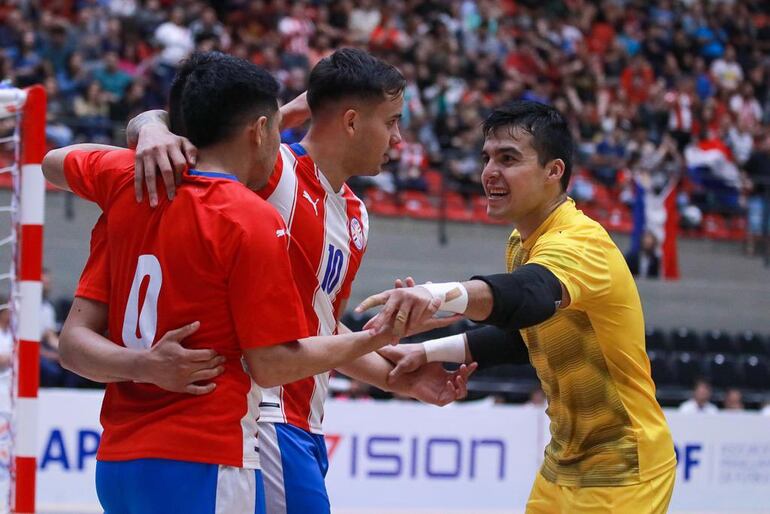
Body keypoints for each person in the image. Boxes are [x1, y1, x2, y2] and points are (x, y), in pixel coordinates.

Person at [105, 48, 474, 514]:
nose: (399, 139)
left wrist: (395, 378)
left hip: (307, 421)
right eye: (393, 122)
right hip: (264, 418)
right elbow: (222, 128)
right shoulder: (275, 172)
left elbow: (316, 327)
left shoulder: (356, 214)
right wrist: (150, 126)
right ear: (353, 121)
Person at [43, 52, 406, 514]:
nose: (399, 137)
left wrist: (149, 129)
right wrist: (380, 335)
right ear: (259, 130)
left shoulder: (126, 183)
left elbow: (52, 162)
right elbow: (272, 362)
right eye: (276, 127)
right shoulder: (254, 211)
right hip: (216, 445)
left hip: (121, 456)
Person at [364, 101, 676, 513]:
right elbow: (526, 335)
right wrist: (425, 351)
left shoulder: (581, 242)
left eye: (509, 159)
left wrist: (437, 293)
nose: (490, 171)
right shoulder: (520, 242)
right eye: (487, 158)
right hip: (562, 465)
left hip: (625, 470)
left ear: (554, 171)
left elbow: (529, 295)